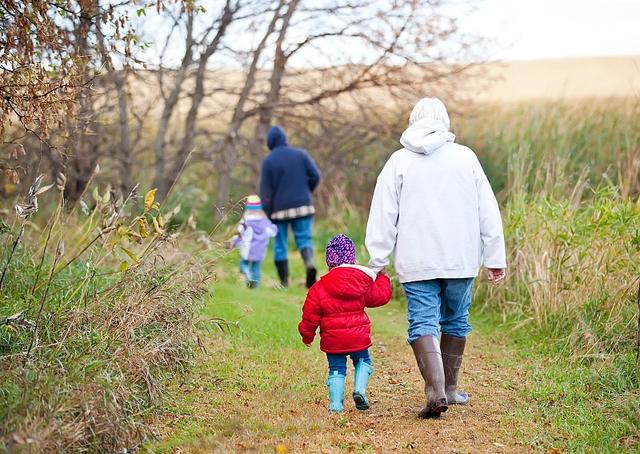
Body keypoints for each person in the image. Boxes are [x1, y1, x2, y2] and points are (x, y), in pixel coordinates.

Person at [365, 97, 506, 419]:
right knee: (456, 320)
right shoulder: (465, 158)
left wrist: (377, 259)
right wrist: (495, 255)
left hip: (416, 261)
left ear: (413, 121)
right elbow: (488, 210)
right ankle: (451, 390)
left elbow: (383, 214)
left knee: (422, 322)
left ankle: (435, 391)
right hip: (461, 258)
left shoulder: (398, 161)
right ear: (444, 121)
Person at [298, 234, 392, 413]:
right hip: (358, 338)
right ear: (352, 259)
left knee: (336, 369)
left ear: (329, 262)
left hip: (333, 340)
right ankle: (359, 390)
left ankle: (335, 405)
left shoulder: (319, 288)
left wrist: (306, 335)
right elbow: (380, 296)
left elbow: (309, 315)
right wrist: (383, 278)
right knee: (363, 360)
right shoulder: (361, 282)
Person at [259, 125, 321, 289]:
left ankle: (284, 282)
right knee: (304, 239)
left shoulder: (269, 161)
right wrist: (307, 192)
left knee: (280, 244)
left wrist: (267, 212)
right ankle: (309, 264)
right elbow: (316, 175)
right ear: (285, 139)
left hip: (279, 211)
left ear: (270, 142)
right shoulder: (301, 154)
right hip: (303, 207)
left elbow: (266, 192)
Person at [230, 195, 278, 289]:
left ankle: (247, 274)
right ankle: (255, 285)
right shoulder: (264, 220)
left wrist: (233, 243)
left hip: (248, 249)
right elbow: (272, 232)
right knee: (256, 267)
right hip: (260, 249)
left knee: (243, 264)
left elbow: (239, 233)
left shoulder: (246, 221)